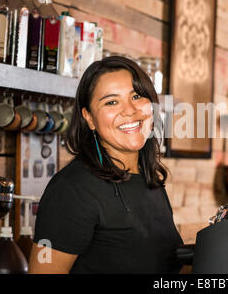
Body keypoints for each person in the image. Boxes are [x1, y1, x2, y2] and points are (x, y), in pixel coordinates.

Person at [28, 56, 183, 274]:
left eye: (137, 96)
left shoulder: (149, 180)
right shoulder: (72, 191)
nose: (129, 110)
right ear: (89, 118)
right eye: (111, 102)